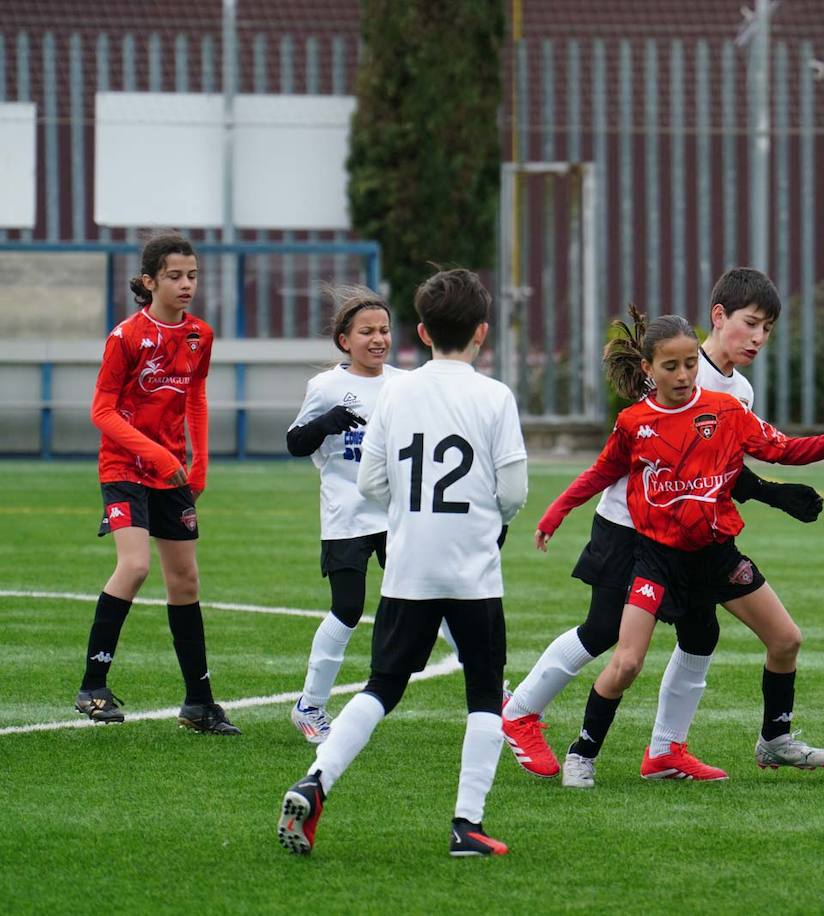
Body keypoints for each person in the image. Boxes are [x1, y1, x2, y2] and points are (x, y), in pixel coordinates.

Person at [502, 269, 824, 789]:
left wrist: (770, 491)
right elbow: (637, 452)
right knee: (605, 630)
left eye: (767, 328)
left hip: (693, 534)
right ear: (718, 318)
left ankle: (665, 751)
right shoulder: (679, 364)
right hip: (630, 526)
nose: (758, 337)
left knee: (701, 631)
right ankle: (520, 712)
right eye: (750, 323)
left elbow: (719, 466)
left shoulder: (737, 391)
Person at [277, 268, 527, 858]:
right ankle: (466, 824)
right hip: (471, 570)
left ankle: (315, 780)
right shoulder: (495, 395)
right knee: (485, 692)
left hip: (409, 566)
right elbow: (513, 492)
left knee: (382, 685)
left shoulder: (395, 391)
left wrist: (413, 514)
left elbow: (370, 481)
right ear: (482, 333)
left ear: (420, 331)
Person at [74, 233, 238, 734]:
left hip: (172, 473)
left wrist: (200, 461)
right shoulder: (126, 337)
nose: (186, 284)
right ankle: (92, 687)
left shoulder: (199, 336)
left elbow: (195, 399)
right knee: (136, 564)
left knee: (185, 581)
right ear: (149, 282)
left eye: (191, 275)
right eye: (174, 276)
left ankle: (199, 703)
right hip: (125, 468)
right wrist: (157, 454)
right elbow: (101, 411)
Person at [285, 288, 461, 744]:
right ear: (345, 340)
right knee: (347, 608)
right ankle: (310, 705)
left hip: (398, 514)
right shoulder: (326, 387)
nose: (378, 338)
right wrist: (326, 423)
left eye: (383, 330)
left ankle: (492, 690)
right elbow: (296, 441)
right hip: (346, 515)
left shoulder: (405, 383)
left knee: (435, 595)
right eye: (367, 331)